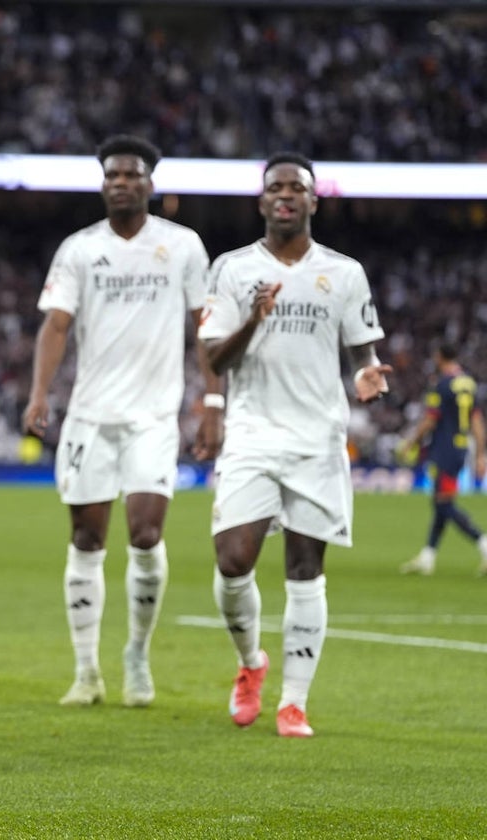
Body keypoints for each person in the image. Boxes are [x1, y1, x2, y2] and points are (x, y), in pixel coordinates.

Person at [22, 134, 223, 710]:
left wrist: (213, 404)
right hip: (89, 416)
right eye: (112, 175)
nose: (121, 182)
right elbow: (56, 326)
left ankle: (136, 651)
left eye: (132, 175)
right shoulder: (80, 249)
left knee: (146, 532)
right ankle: (87, 670)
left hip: (154, 417)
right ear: (103, 183)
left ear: (150, 185)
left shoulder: (183, 246)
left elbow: (205, 329)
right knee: (86, 538)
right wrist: (41, 393)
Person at [199, 151, 391, 738]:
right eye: (276, 187)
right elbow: (213, 357)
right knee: (233, 561)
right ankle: (252, 661)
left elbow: (363, 350)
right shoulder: (231, 269)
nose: (285, 195)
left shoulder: (345, 272)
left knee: (306, 570)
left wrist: (368, 374)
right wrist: (255, 319)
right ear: (262, 202)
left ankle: (295, 703)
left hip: (317, 438)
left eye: (297, 188)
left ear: (313, 200)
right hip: (253, 433)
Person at [397, 344, 487, 575]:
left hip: (444, 450)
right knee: (440, 503)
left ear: (439, 356)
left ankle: (483, 542)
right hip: (461, 448)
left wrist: (410, 443)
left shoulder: (442, 384)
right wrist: (480, 455)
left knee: (444, 504)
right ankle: (428, 557)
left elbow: (430, 420)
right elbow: (477, 422)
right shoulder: (468, 383)